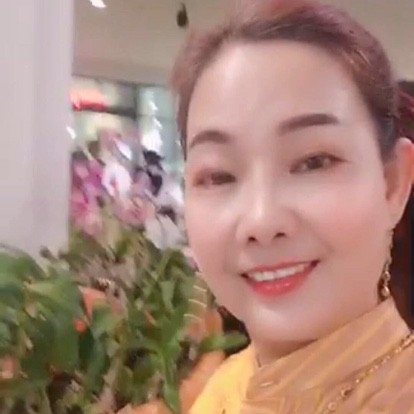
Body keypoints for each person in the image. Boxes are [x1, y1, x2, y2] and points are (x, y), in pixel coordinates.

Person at [171, 0, 414, 412]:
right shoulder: (223, 389)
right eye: (218, 176)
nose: (261, 221)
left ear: (393, 184)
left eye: (314, 162)